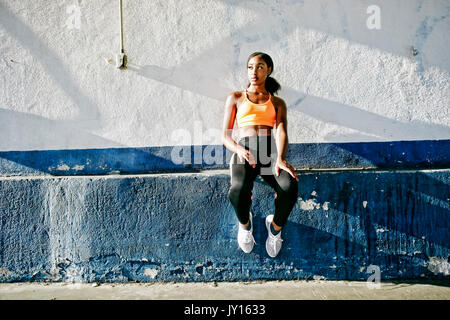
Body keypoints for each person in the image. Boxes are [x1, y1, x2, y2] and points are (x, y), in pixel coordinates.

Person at [221, 52, 299, 258]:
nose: (254, 71)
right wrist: (239, 149)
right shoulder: (236, 97)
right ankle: (245, 225)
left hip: (269, 152)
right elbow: (225, 136)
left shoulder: (277, 102)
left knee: (289, 187)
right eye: (250, 67)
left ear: (269, 70)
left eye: (260, 67)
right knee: (237, 191)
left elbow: (281, 131)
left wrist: (280, 158)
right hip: (244, 151)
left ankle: (274, 230)